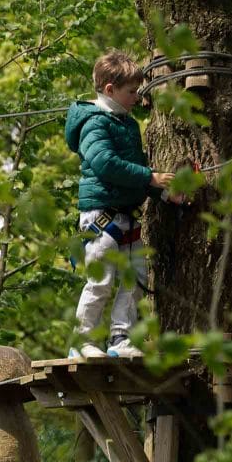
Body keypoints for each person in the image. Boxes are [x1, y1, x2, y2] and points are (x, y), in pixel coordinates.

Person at [64, 50, 178, 358]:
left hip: (127, 215)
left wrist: (163, 193)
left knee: (136, 278)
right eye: (131, 92)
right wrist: (150, 177)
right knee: (100, 281)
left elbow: (135, 172)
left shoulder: (126, 124)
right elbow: (106, 164)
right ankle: (82, 341)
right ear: (110, 90)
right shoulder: (94, 123)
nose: (137, 98)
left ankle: (120, 339)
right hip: (101, 215)